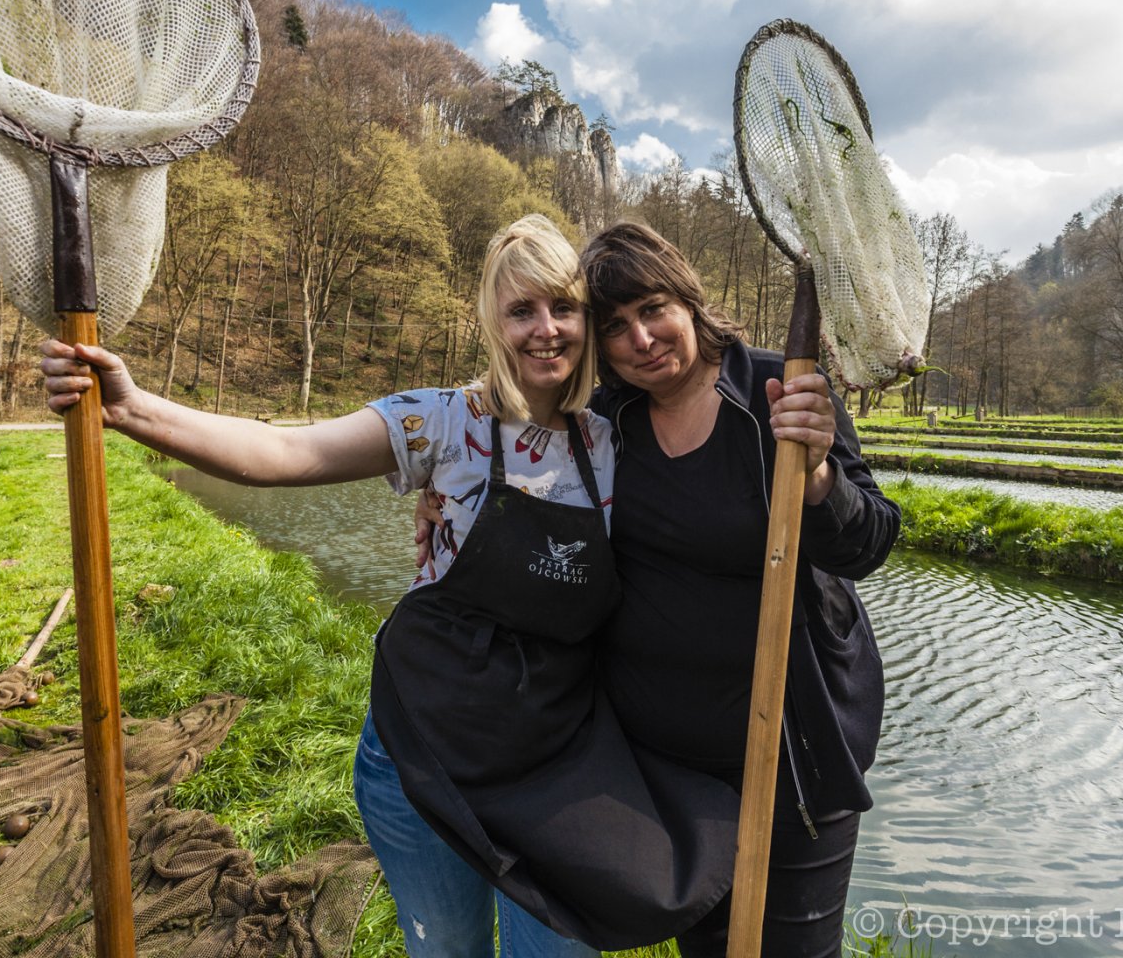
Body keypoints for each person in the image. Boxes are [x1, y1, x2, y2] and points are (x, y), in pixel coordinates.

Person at [40, 216, 746, 957]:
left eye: (562, 308)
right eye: (521, 310)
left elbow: (701, 471)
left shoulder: (613, 437)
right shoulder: (442, 421)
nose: (546, 330)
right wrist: (132, 408)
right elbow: (287, 453)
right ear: (492, 322)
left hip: (556, 770)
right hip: (423, 755)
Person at [581, 222, 898, 958]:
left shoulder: (779, 388)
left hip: (790, 755)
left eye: (653, 308)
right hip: (664, 761)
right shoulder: (607, 421)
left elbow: (869, 541)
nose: (642, 338)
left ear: (688, 301)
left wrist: (819, 474)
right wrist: (446, 494)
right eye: (616, 327)